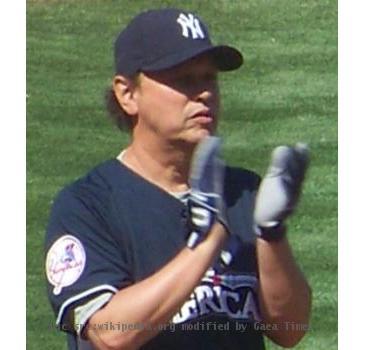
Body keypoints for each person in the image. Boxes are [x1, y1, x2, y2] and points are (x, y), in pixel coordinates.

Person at [45, 8, 311, 350]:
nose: (204, 93)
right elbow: (110, 332)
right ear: (128, 94)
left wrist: (271, 232)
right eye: (184, 79)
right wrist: (206, 241)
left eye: (209, 78)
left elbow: (289, 329)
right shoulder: (88, 204)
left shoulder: (243, 192)